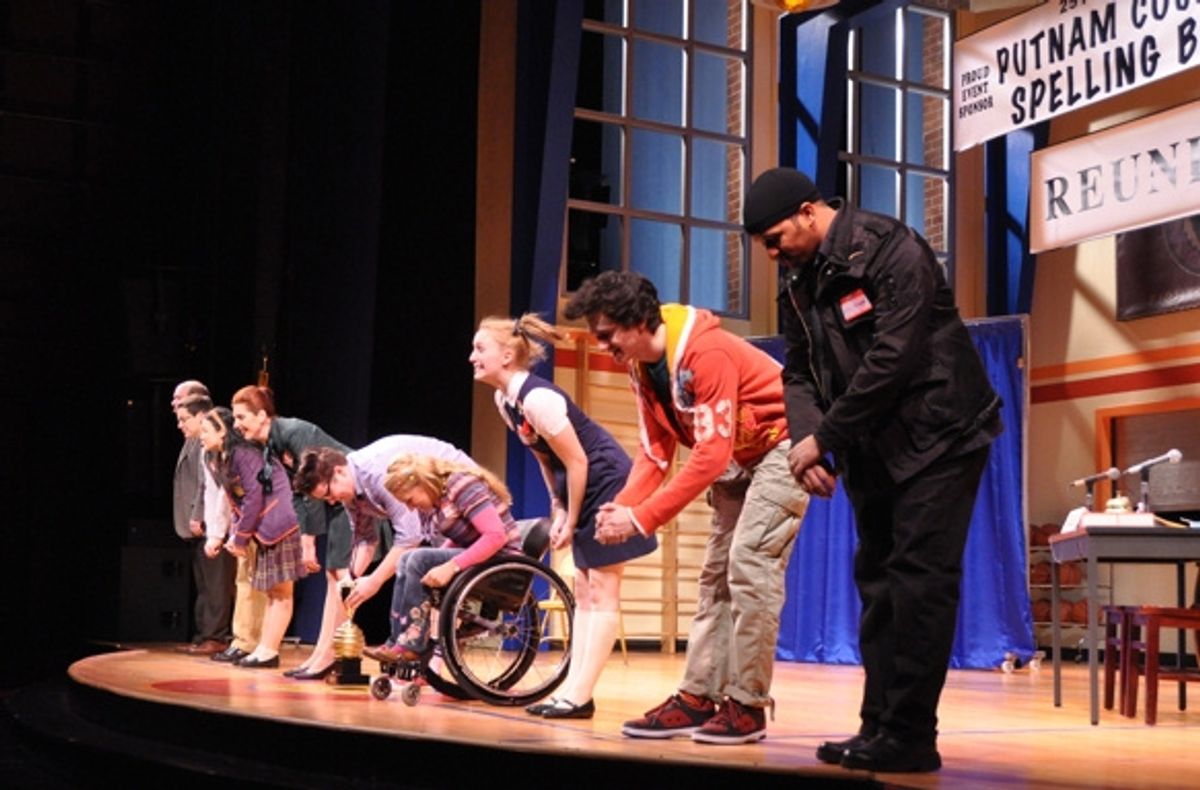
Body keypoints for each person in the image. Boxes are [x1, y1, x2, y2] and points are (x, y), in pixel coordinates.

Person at [744, 167, 1003, 772]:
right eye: (765, 246)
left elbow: (894, 357)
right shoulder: (801, 285)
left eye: (777, 238)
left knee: (918, 582)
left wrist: (827, 436)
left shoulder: (890, 248)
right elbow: (800, 372)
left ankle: (912, 736)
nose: (773, 254)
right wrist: (810, 439)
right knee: (879, 585)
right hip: (876, 445)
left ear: (810, 211)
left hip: (942, 435)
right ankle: (877, 727)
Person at [563, 272, 809, 745]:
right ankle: (699, 696)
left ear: (636, 322)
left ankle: (748, 704)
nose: (602, 346)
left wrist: (640, 519)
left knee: (749, 565)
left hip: (783, 447)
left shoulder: (704, 352)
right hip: (741, 455)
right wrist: (621, 505)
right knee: (714, 576)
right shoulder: (640, 367)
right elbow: (656, 452)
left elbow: (709, 457)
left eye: (607, 335)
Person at [470, 314, 657, 719]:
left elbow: (577, 461)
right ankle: (572, 691)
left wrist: (570, 520)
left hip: (605, 481)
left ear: (507, 355)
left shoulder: (538, 397)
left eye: (479, 349)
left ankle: (580, 696)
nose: (472, 357)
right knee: (585, 590)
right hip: (577, 484)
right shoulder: (506, 400)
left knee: (603, 589)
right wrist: (557, 507)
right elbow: (544, 457)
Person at [291, 435, 476, 677]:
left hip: (456, 493)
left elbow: (410, 538)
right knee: (410, 569)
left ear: (338, 471)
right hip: (430, 510)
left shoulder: (378, 476)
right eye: (326, 499)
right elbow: (366, 539)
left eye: (328, 493)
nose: (332, 501)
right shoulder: (351, 493)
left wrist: (375, 581)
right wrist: (352, 578)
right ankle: (416, 658)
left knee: (429, 569)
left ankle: (435, 666)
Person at [229, 386, 364, 677]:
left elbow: (314, 486)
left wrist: (308, 542)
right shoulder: (273, 446)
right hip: (335, 504)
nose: (236, 424)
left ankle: (329, 655)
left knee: (339, 576)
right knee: (332, 578)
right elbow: (300, 494)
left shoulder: (294, 432)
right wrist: (306, 541)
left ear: (262, 415)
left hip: (353, 499)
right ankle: (321, 654)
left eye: (241, 417)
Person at [361, 454, 523, 663]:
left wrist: (451, 566)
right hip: (481, 556)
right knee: (408, 559)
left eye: (410, 500)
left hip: (502, 559)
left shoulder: (462, 485)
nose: (410, 507)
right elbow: (460, 539)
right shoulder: (435, 502)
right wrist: (437, 562)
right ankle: (397, 641)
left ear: (423, 483)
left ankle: (412, 644)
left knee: (417, 559)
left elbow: (495, 536)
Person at [200, 406, 304, 668]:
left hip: (281, 522)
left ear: (221, 431)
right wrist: (236, 534)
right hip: (264, 527)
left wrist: (241, 538)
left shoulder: (244, 454)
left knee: (280, 591)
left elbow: (255, 497)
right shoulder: (220, 457)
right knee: (272, 592)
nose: (201, 436)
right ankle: (263, 649)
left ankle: (268, 650)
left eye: (205, 430)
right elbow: (235, 501)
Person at [171, 385, 233, 655]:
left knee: (217, 582)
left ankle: (215, 635)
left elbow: (207, 484)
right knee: (205, 583)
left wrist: (197, 514)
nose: (174, 406)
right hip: (200, 524)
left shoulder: (207, 438)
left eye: (178, 400)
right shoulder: (192, 436)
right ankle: (204, 634)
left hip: (211, 523)